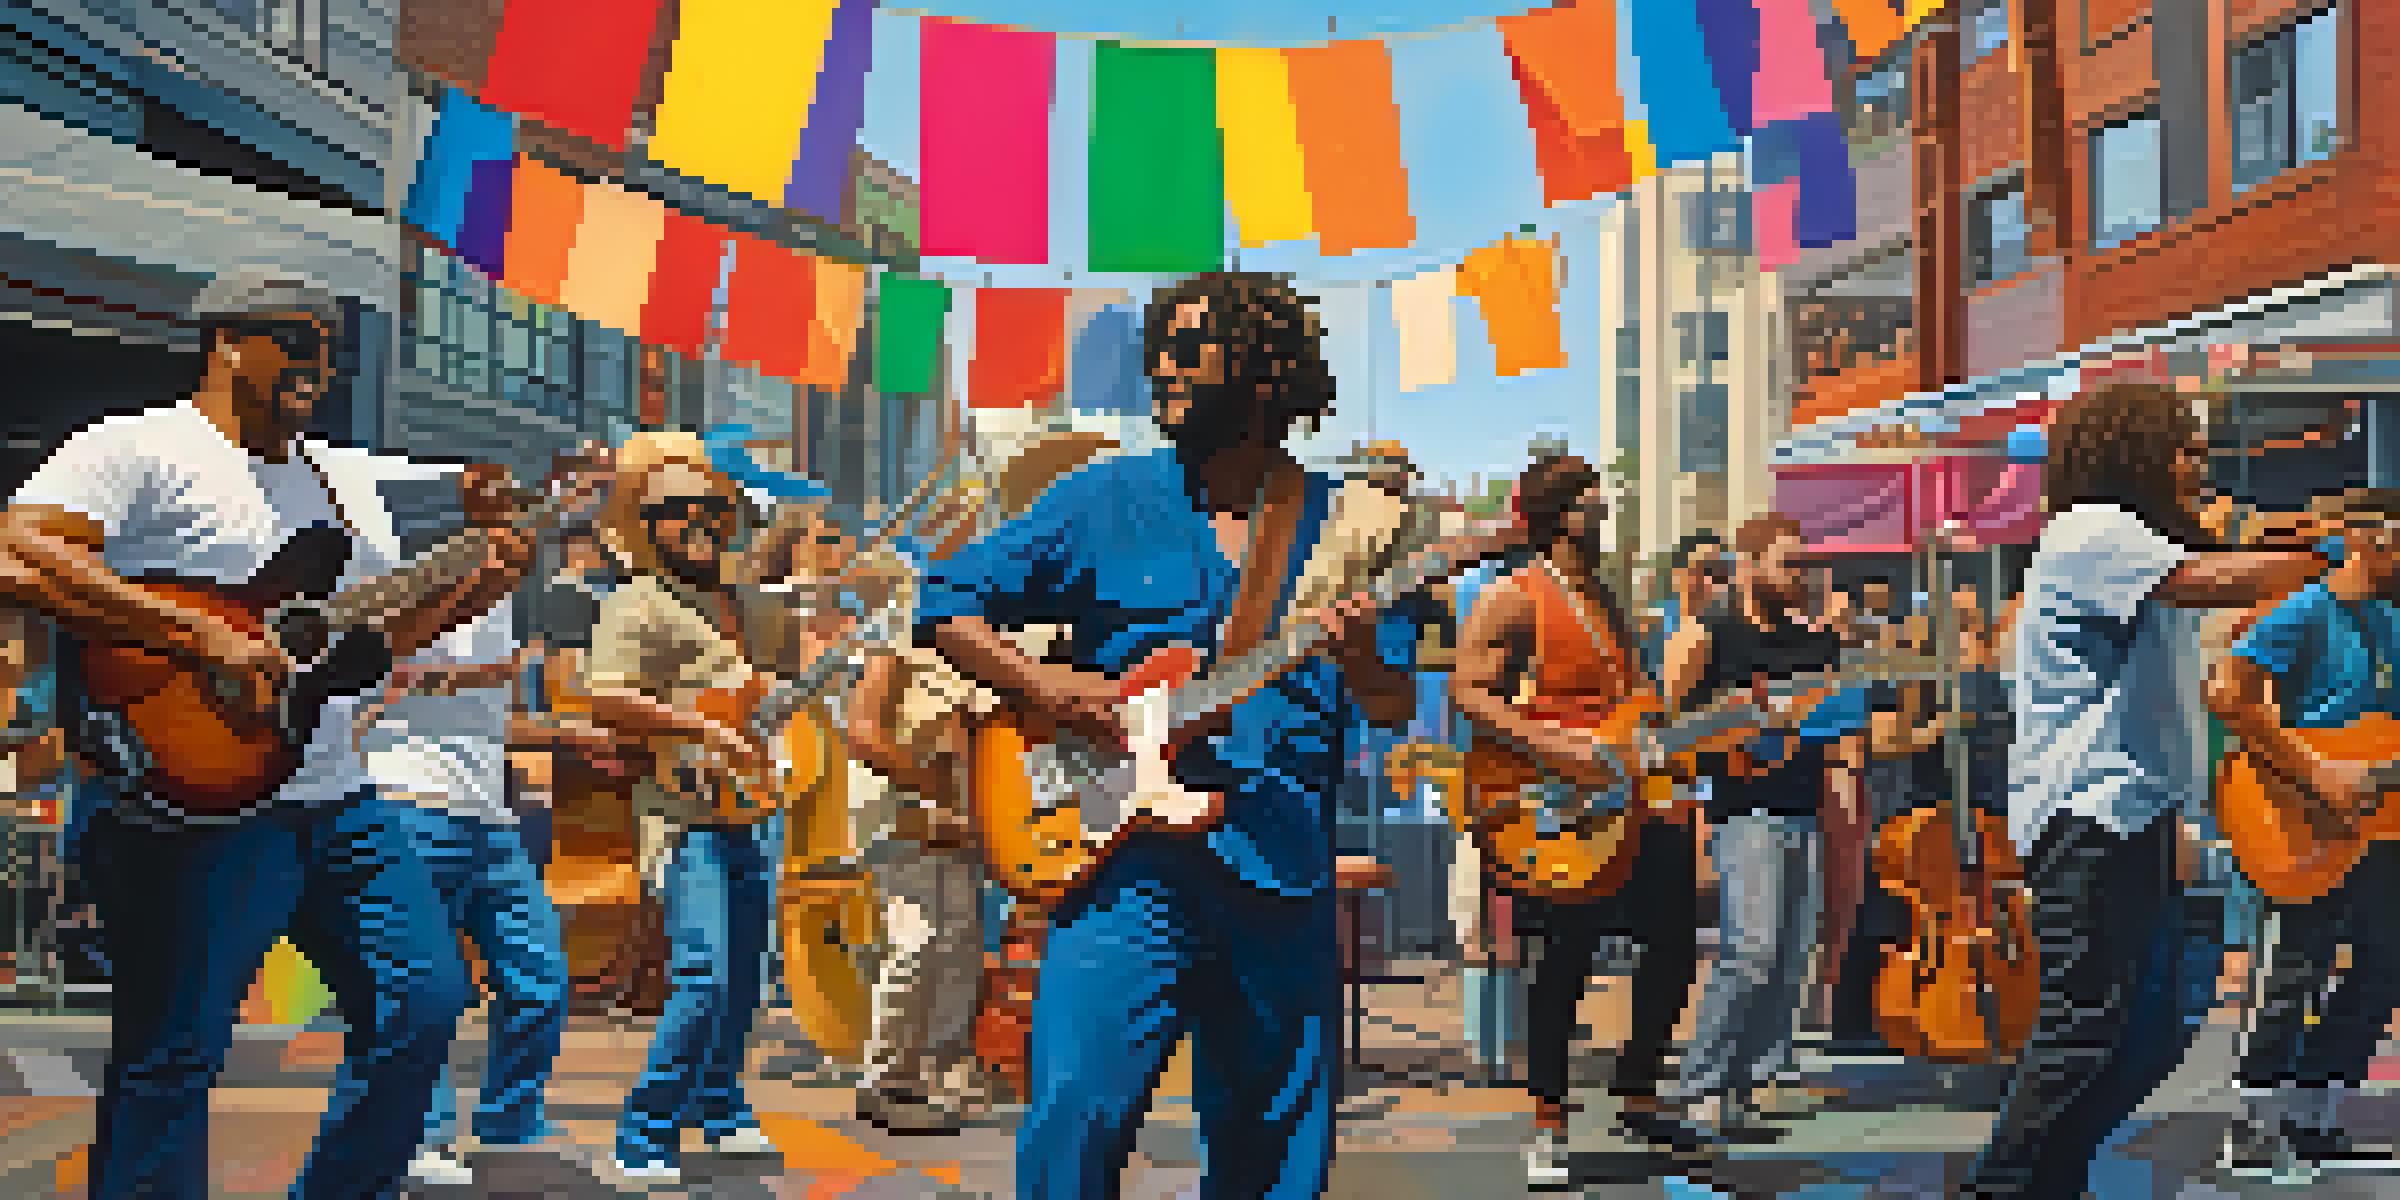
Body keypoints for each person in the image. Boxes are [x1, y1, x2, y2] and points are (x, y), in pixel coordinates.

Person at [0, 271, 529, 1197]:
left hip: (337, 798)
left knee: (424, 1001)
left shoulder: (339, 481)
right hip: (192, 800)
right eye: (293, 342)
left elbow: (363, 647)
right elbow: (19, 553)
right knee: (175, 1053)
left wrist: (479, 588)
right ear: (224, 341)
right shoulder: (135, 447)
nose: (316, 366)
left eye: (328, 349)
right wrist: (197, 632)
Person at [916, 271, 1420, 1199]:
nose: (1163, 369)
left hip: (1280, 871)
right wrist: (1053, 689)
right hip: (1127, 870)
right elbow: (943, 599)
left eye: (1190, 350)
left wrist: (1359, 658)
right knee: (1075, 1112)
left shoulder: (1348, 527)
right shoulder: (1101, 499)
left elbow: (1390, 703)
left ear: (1266, 372)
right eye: (1158, 351)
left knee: (1275, 1144)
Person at [1961, 380, 2331, 1198]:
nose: (2200, 465)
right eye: (2183, 450)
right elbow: (2210, 582)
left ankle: (2049, 1180)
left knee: (2157, 1026)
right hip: (2091, 817)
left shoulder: (2136, 542)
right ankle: (2006, 1186)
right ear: (2131, 454)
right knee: (2085, 1027)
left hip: (2138, 818)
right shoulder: (2094, 531)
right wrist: (2330, 560)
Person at [317, 448, 579, 1187]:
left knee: (540, 976)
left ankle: (507, 1117)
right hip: (408, 799)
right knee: (421, 991)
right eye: (496, 498)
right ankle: (417, 1134)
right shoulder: (408, 580)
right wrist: (492, 671)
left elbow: (501, 701)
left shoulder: (505, 598)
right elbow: (385, 668)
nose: (511, 508)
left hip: (488, 812)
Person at [1449, 452, 1699, 1188]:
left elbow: (1632, 706)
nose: (1604, 509)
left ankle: (1638, 1091)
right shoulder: (1515, 597)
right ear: (1560, 515)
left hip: (1629, 803)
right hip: (1557, 809)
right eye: (1592, 498)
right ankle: (1549, 1122)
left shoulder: (1606, 599)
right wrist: (1554, 745)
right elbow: (1468, 692)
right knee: (1564, 961)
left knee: (1676, 939)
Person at [582, 433, 786, 1183]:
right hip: (682, 815)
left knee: (745, 977)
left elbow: (764, 686)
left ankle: (721, 1107)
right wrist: (700, 727)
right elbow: (606, 697)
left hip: (750, 805)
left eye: (710, 507)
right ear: (646, 524)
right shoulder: (635, 601)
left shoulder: (741, 603)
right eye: (674, 510)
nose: (696, 520)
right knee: (702, 976)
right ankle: (643, 1133)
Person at [1633, 511, 1848, 1150]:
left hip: (1805, 810)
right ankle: (1699, 1085)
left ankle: (1747, 1084)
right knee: (1749, 950)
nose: (1800, 576)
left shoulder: (1816, 644)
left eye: (1804, 564)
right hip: (1744, 813)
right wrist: (1733, 730)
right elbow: (1667, 727)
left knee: (1788, 958)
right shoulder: (1713, 633)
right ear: (1750, 565)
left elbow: (1841, 732)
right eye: (1788, 563)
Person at [2205, 488, 2400, 1178]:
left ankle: (2314, 1115)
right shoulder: (2304, 610)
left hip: (2379, 827)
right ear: (2371, 538)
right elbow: (2228, 693)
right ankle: (2252, 1126)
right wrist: (2315, 772)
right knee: (2292, 968)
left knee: (2383, 965)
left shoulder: (2390, 620)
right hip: (2299, 816)